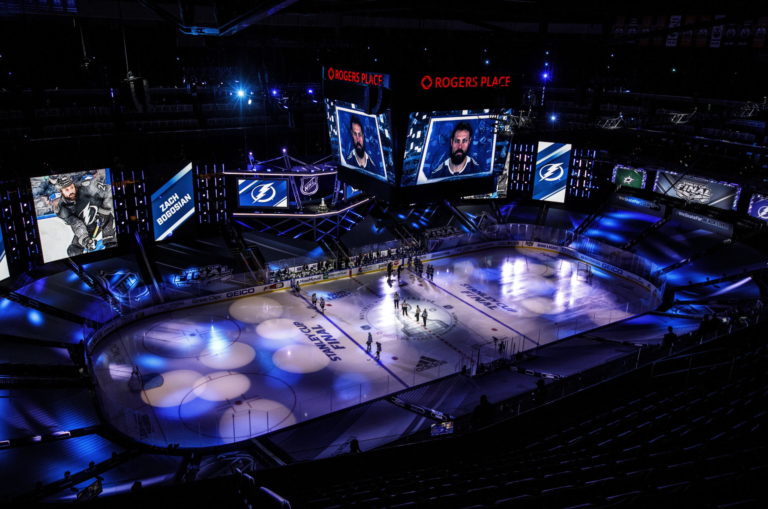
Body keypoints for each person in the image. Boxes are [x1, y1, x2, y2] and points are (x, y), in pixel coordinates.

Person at [54, 174, 117, 257]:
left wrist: (104, 211)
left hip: (106, 218)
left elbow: (110, 191)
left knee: (112, 245)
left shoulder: (87, 186)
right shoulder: (62, 208)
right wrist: (85, 239)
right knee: (74, 251)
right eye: (67, 190)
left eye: (72, 187)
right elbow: (76, 224)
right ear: (61, 191)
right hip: (87, 226)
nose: (71, 191)